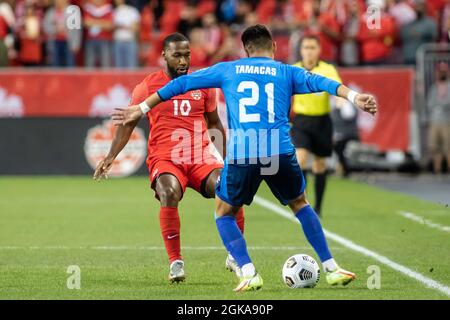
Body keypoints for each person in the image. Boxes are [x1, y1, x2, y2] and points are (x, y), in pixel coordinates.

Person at [112, 24, 377, 292]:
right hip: (279, 152)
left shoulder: (229, 68)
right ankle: (331, 267)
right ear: (273, 47)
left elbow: (181, 83)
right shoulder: (286, 71)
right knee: (300, 204)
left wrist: (142, 107)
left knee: (224, 212)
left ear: (245, 50)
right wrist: (355, 97)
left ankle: (248, 271)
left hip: (244, 154)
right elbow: (323, 82)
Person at [94, 33, 245, 283]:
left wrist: (230, 160)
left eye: (187, 55)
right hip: (165, 158)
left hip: (200, 157)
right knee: (169, 192)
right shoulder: (147, 86)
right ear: (164, 56)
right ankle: (175, 261)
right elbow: (128, 123)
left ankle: (235, 254)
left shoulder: (203, 84)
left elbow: (214, 123)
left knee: (229, 188)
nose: (183, 60)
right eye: (177, 55)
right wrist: (111, 156)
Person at [291, 35, 343, 216]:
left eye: (312, 47)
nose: (309, 51)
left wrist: (339, 101)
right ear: (301, 50)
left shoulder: (327, 70)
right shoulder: (294, 69)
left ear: (319, 50)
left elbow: (337, 88)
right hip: (301, 121)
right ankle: (302, 203)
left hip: (322, 121)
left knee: (319, 165)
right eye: (306, 47)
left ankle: (318, 207)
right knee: (301, 159)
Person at [427, 63, 450, 174]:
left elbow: (447, 103)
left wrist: (440, 105)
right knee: (435, 147)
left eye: (443, 71)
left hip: (447, 121)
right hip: (435, 121)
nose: (441, 74)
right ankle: (437, 170)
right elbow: (430, 103)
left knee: (448, 147)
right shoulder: (434, 88)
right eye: (440, 71)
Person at [112, 0, 140, 68]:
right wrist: (126, 26)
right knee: (119, 67)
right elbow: (111, 26)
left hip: (130, 41)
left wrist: (120, 26)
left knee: (131, 66)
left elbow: (135, 28)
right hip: (117, 41)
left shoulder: (132, 11)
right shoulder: (114, 11)